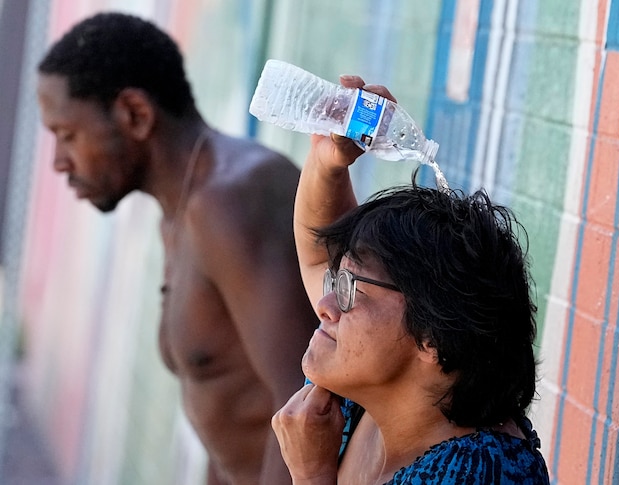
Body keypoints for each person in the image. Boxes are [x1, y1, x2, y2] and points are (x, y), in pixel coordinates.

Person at [36, 12, 318, 485]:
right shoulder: (182, 207)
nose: (59, 162)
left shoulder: (228, 202)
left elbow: (304, 400)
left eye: (68, 135)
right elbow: (233, 409)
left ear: (135, 115)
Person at [271, 77, 550, 484]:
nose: (325, 305)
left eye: (348, 291)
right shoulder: (370, 393)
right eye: (339, 282)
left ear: (432, 338)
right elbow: (319, 254)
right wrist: (328, 161)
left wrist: (312, 474)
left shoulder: (479, 473)